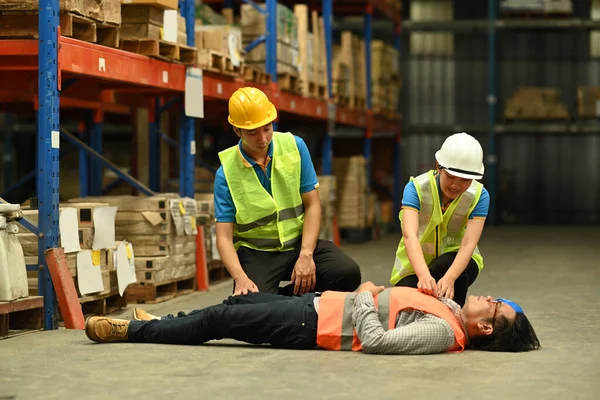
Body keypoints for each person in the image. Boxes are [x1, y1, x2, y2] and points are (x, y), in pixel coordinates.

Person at [84, 281, 541, 355]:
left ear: (485, 328)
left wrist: (364, 294)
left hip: (313, 325)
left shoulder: (444, 333)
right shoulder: (453, 313)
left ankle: (133, 331)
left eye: (496, 306)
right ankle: (163, 322)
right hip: (321, 305)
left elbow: (378, 342)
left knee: (221, 323)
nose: (489, 297)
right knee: (236, 305)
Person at [214, 86, 361, 296]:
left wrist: (307, 254)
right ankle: (279, 302)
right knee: (250, 302)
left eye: (267, 128)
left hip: (297, 244)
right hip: (258, 253)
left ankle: (281, 302)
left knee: (347, 273)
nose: (263, 139)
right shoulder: (226, 173)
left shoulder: (295, 146)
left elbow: (313, 205)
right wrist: (241, 278)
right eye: (253, 132)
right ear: (237, 131)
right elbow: (224, 238)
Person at [390, 132, 490, 307]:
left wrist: (450, 278)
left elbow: (469, 243)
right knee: (409, 301)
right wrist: (422, 275)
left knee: (445, 269)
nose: (456, 185)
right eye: (450, 176)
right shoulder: (416, 188)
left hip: (456, 264)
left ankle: (454, 322)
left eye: (465, 180)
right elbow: (410, 235)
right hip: (415, 266)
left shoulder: (479, 195)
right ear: (438, 166)